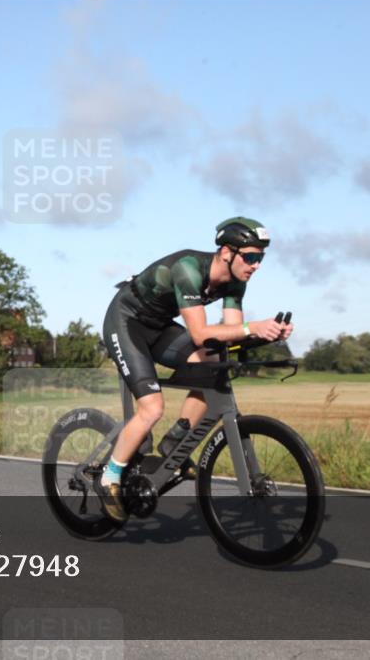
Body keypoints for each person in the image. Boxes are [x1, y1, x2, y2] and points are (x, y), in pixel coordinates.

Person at [96, 217, 293, 521]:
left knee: (215, 363)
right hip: (126, 322)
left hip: (159, 327)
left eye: (260, 258)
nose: (256, 265)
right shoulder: (188, 269)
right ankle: (109, 477)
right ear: (227, 252)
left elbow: (229, 333)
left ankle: (176, 440)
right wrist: (253, 325)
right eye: (251, 257)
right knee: (151, 407)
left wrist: (264, 336)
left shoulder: (236, 282)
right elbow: (201, 334)